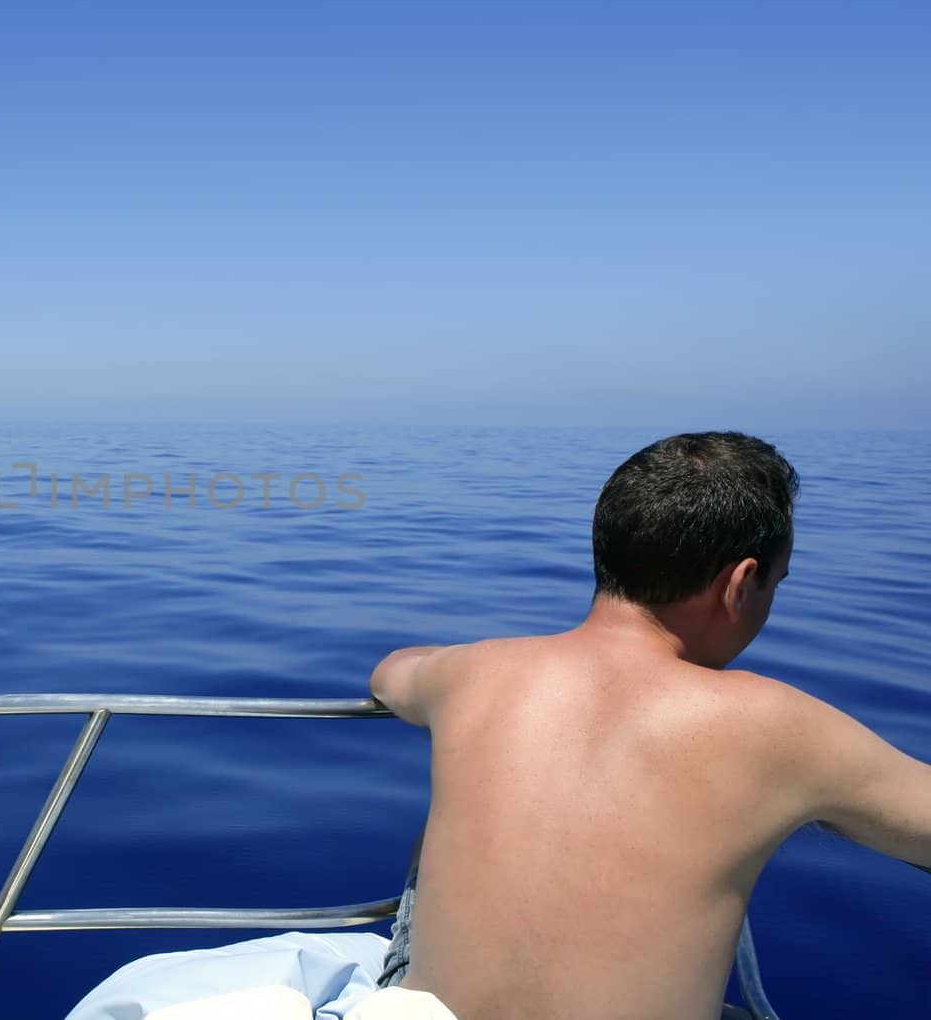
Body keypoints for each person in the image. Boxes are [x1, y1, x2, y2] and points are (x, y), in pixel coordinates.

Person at [369, 431, 931, 1019]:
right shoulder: (780, 726)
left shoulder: (470, 673)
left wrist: (478, 665)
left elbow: (389, 673)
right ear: (740, 584)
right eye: (777, 582)